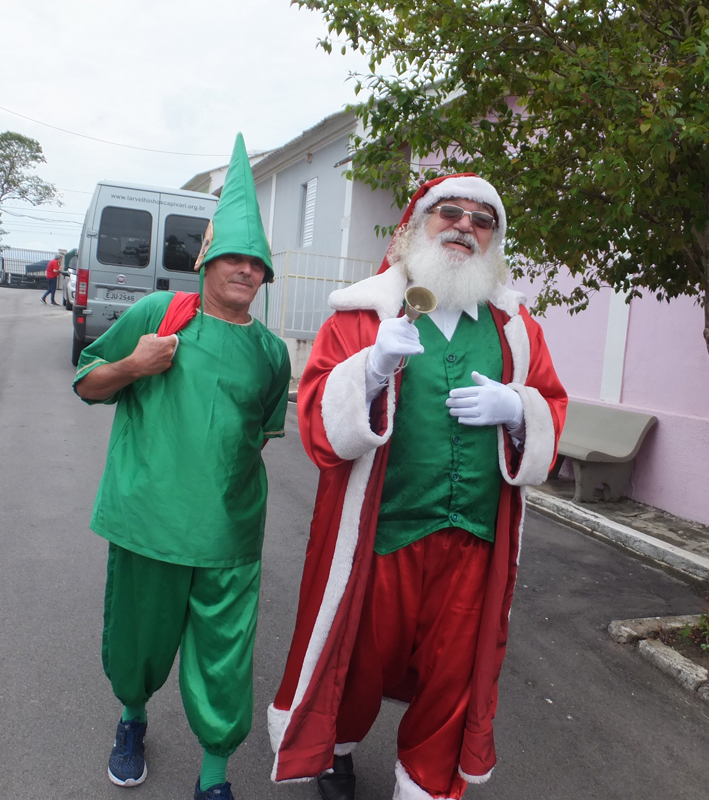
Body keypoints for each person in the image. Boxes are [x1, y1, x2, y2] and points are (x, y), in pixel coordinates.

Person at [269, 174, 568, 800]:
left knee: (451, 679)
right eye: (450, 213)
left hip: (474, 541)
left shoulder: (516, 328)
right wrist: (371, 370)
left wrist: (518, 410)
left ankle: (424, 786)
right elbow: (317, 417)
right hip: (383, 533)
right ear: (417, 226)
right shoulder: (364, 313)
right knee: (356, 661)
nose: (464, 226)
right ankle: (336, 754)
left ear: (495, 239)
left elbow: (551, 404)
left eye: (481, 220)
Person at [74, 133, 291, 800]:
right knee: (138, 643)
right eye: (230, 255)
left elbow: (258, 435)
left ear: (264, 275)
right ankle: (132, 719)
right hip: (149, 523)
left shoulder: (272, 354)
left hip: (228, 535)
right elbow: (87, 385)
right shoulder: (155, 315)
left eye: (255, 262)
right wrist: (134, 366)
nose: (243, 269)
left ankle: (214, 776)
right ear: (204, 258)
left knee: (224, 661)